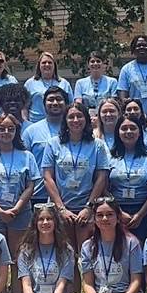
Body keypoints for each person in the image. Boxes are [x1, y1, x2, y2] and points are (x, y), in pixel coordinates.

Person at [45, 103, 111, 251]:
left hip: (87, 208)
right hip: (62, 208)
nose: (76, 120)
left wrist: (89, 207)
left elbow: (101, 177)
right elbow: (47, 177)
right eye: (71, 117)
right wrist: (61, 209)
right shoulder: (53, 144)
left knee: (87, 253)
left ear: (86, 119)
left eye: (79, 116)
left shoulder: (97, 145)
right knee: (66, 256)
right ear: (65, 120)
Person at [0, 114, 40, 256]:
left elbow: (30, 186)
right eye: (2, 129)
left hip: (21, 212)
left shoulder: (27, 156)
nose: (6, 132)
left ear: (16, 131)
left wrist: (16, 209)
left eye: (10, 129)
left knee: (20, 256)